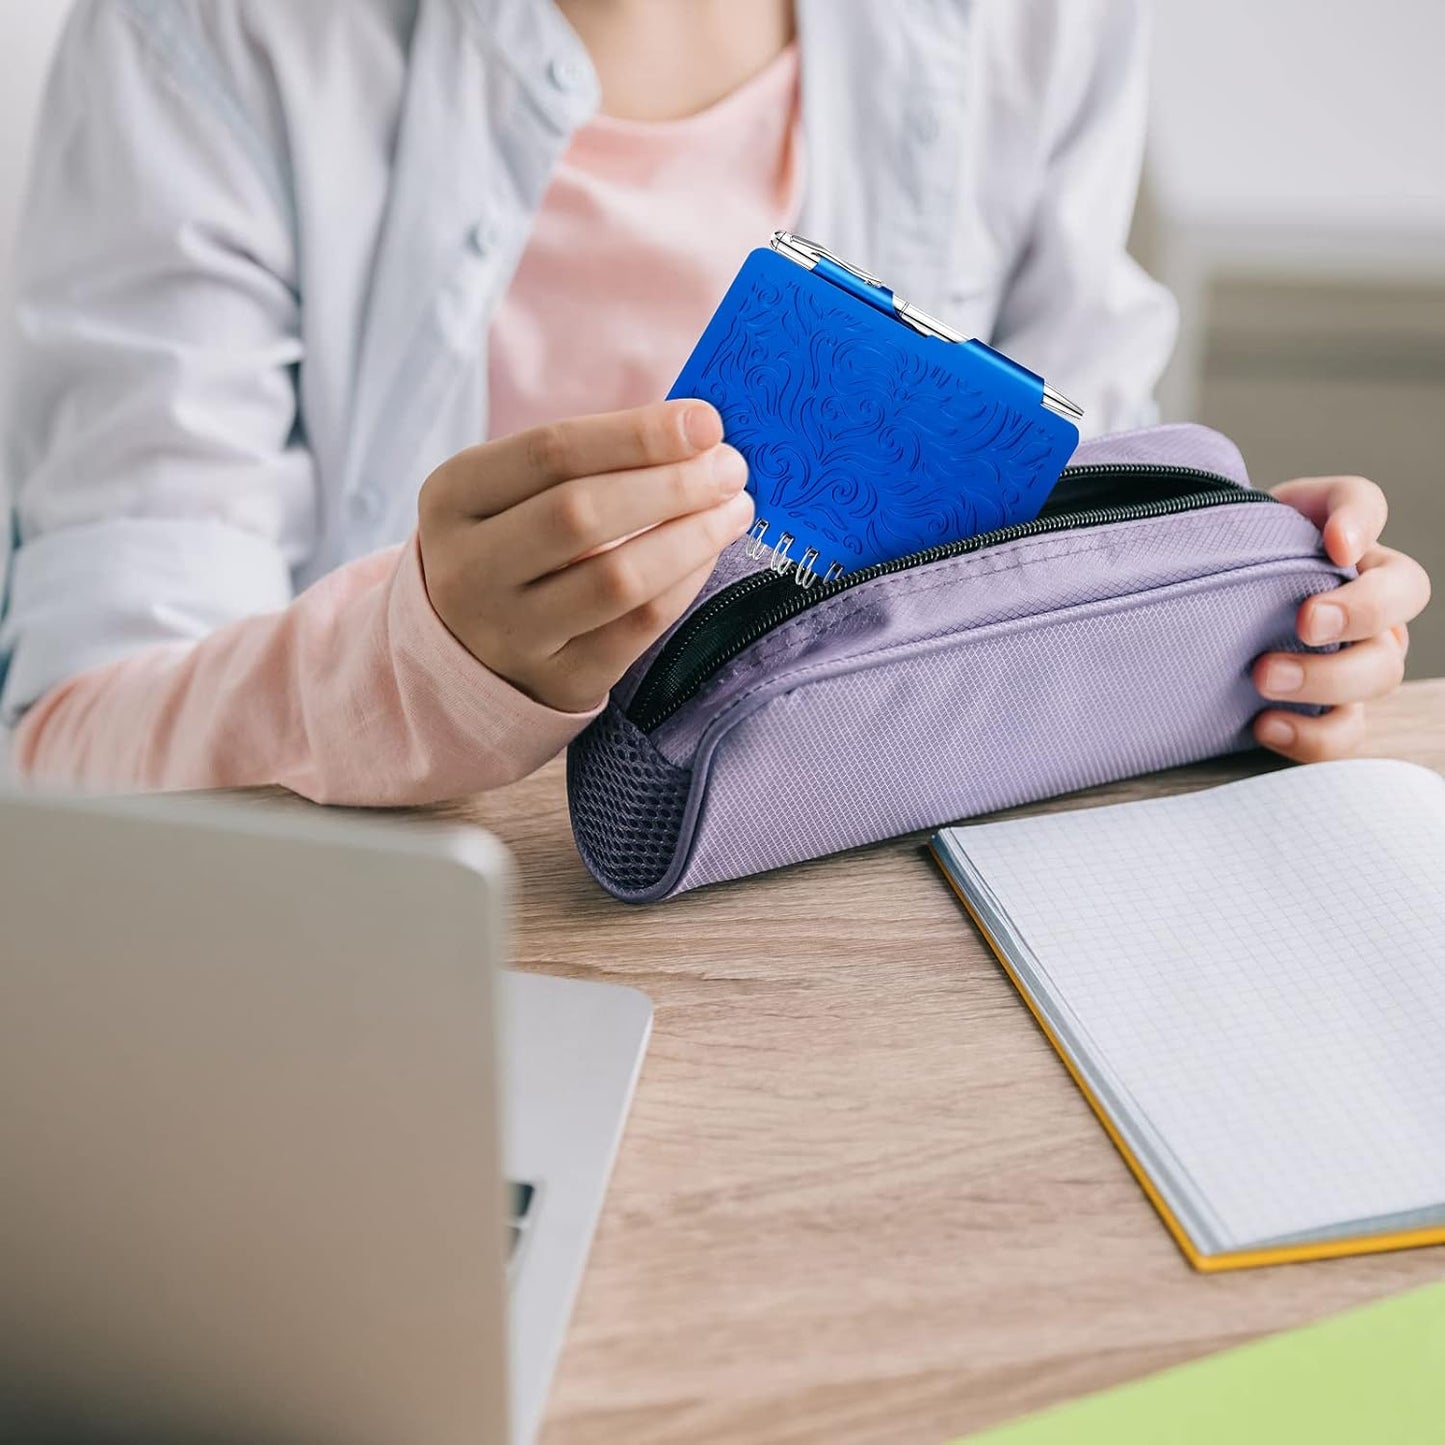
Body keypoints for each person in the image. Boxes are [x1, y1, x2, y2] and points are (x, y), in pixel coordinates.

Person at [1, 0, 1429, 804]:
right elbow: (72, 762)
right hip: (409, 972)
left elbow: (1065, 546)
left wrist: (1228, 598)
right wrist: (432, 662)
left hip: (876, 925)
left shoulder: (1031, 25)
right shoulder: (205, 41)